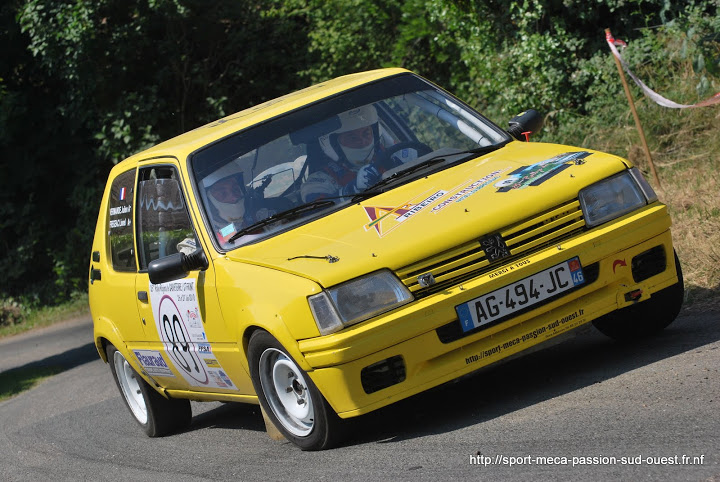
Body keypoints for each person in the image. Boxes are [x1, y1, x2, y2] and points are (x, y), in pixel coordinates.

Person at [301, 104, 387, 202]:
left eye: (366, 134)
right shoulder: (319, 180)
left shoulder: (390, 155)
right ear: (333, 145)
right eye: (352, 138)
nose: (363, 142)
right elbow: (314, 210)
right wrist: (351, 190)